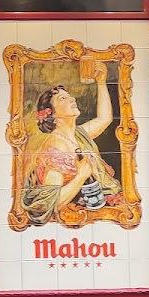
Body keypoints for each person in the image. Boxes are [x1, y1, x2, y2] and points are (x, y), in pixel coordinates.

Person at [22, 62, 123, 226]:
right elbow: (50, 204)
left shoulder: (76, 134)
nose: (72, 99)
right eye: (63, 98)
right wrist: (81, 176)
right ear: (52, 114)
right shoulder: (55, 150)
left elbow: (105, 119)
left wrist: (101, 81)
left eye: (70, 96)